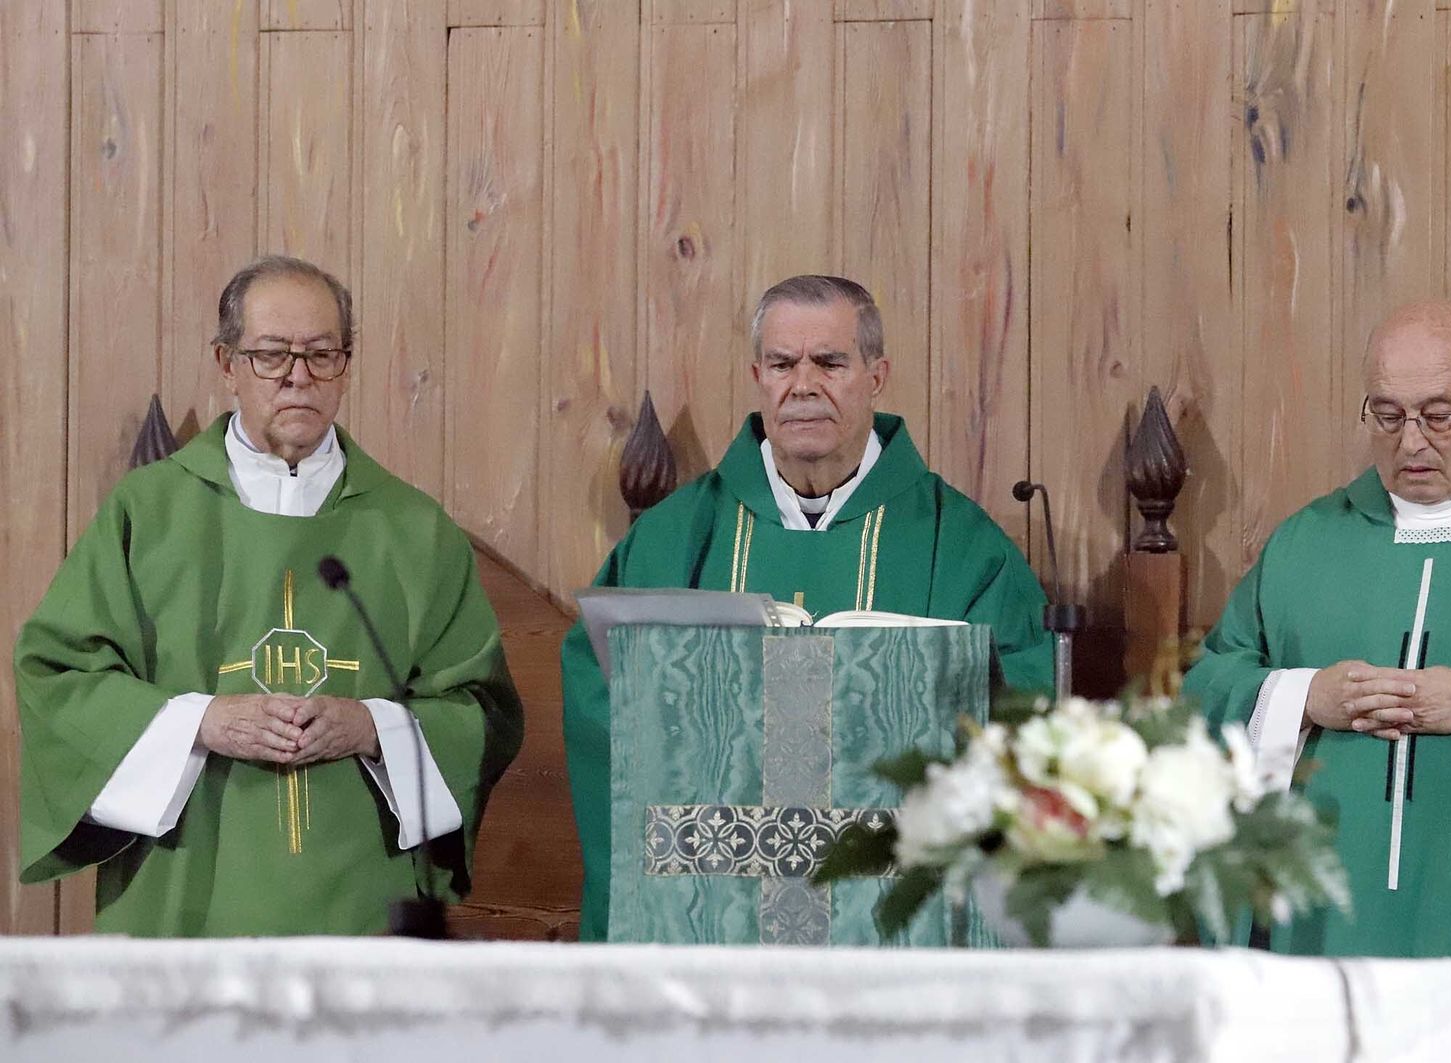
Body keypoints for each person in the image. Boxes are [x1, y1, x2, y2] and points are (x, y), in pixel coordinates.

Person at [15, 255, 523, 936]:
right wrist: (201, 721)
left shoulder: (412, 529)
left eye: (322, 354)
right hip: (184, 897)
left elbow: (482, 713)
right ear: (227, 363)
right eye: (272, 355)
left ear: (346, 364)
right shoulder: (150, 512)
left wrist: (372, 726)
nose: (298, 377)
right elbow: (58, 679)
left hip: (363, 907)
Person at [562, 274, 1054, 941]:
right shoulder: (676, 537)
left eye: (829, 362)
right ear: (757, 375)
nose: (803, 384)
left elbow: (1024, 708)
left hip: (896, 891)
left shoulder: (962, 547)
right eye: (782, 363)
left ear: (876, 375)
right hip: (710, 896)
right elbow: (600, 690)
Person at [1183, 301, 1451, 1062]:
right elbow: (1210, 678)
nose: (1411, 441)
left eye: (1439, 415)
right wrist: (1307, 696)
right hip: (1322, 920)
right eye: (1387, 414)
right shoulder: (1308, 540)